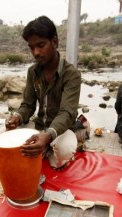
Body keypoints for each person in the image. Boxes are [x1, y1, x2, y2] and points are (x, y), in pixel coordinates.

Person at [5, 16, 82, 170]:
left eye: (41, 45)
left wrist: (47, 136)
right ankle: (44, 149)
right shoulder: (32, 71)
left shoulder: (71, 74)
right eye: (31, 47)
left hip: (61, 130)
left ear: (54, 42)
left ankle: (70, 140)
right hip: (39, 127)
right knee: (6, 136)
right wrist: (17, 117)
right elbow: (28, 105)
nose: (36, 52)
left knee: (63, 150)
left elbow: (67, 113)